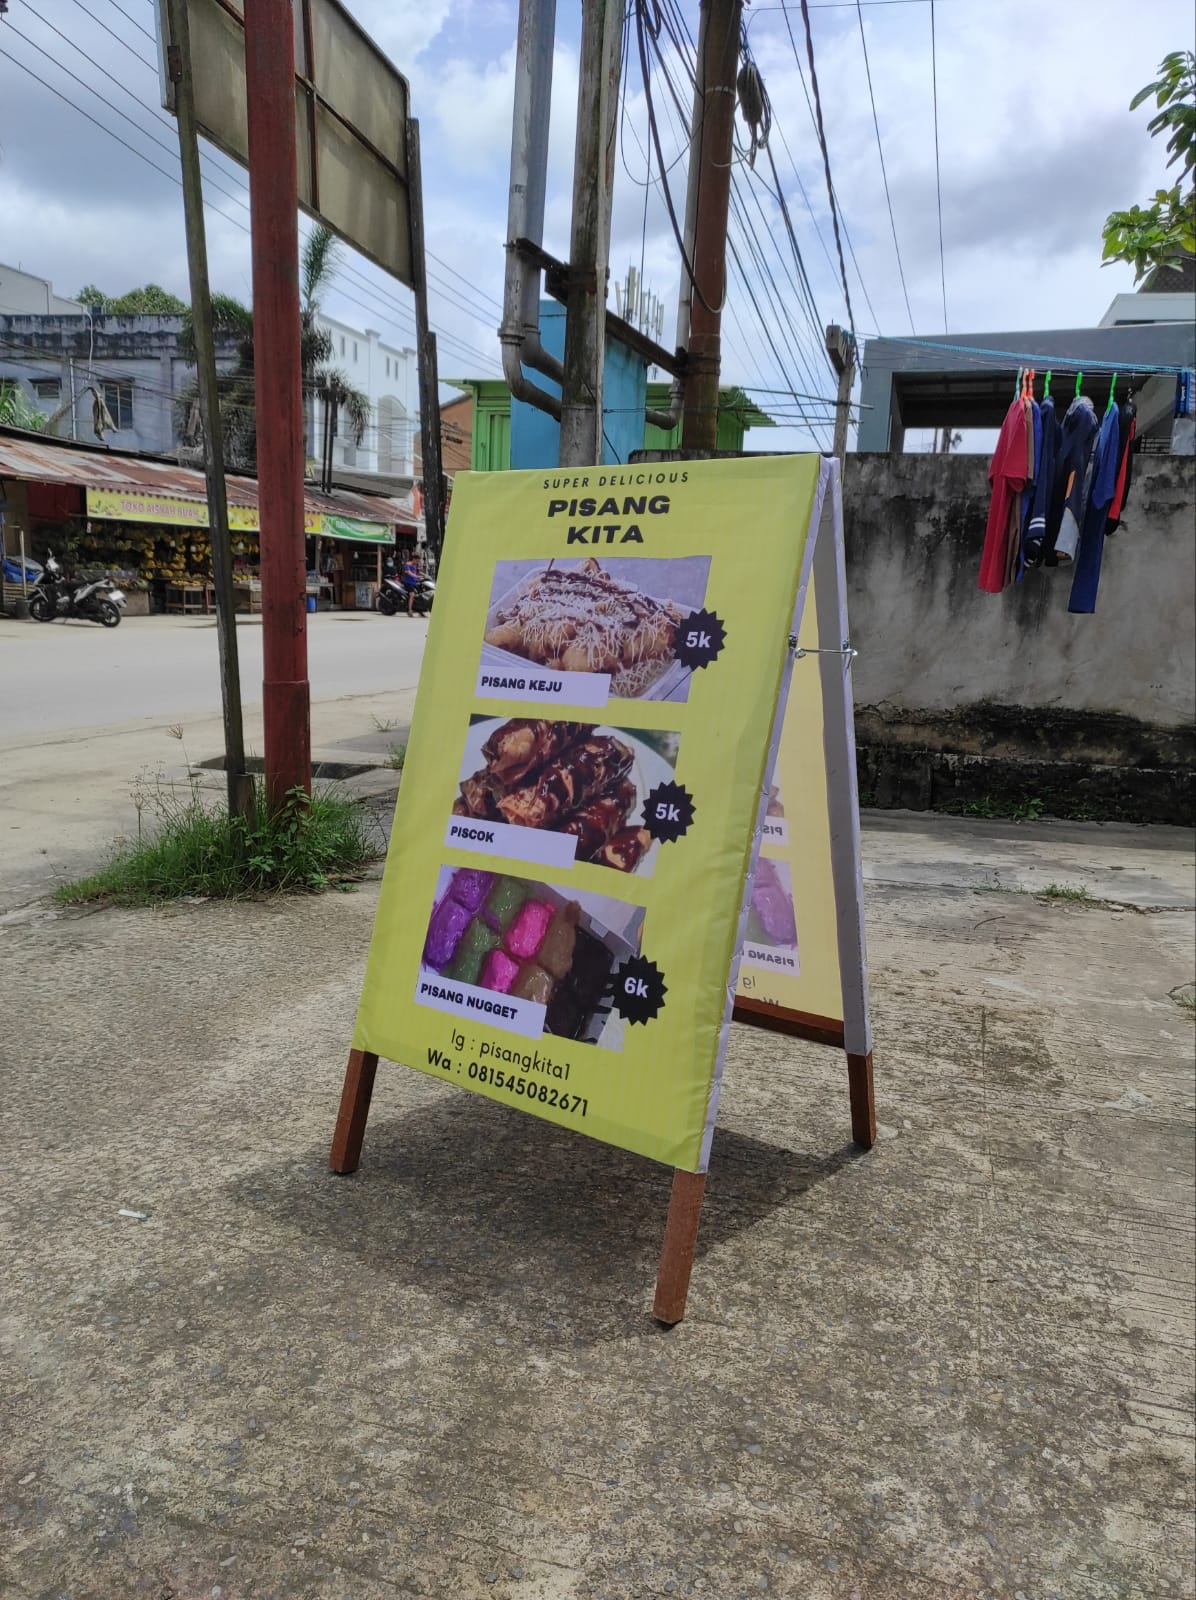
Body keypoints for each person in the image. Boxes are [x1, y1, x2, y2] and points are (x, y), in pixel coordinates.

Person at [401, 552, 420, 617]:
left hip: (413, 583)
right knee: (412, 595)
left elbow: (418, 572)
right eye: (416, 561)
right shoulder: (408, 564)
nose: (417, 562)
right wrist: (416, 576)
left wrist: (425, 576)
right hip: (407, 582)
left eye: (418, 561)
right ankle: (409, 610)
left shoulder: (415, 565)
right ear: (413, 559)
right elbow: (408, 572)